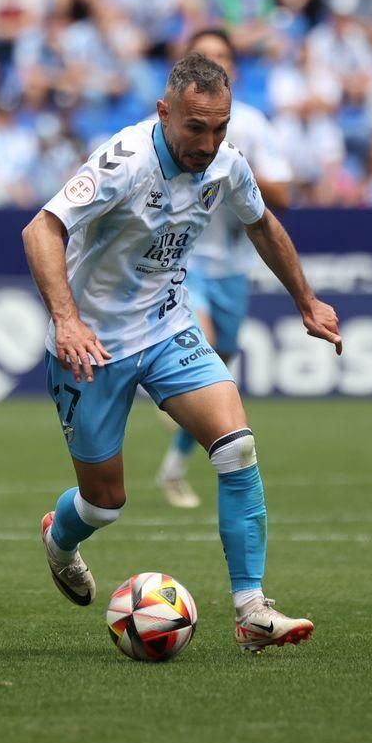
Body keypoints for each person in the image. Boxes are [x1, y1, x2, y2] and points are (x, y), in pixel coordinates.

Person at [23, 52, 339, 652]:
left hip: (168, 327)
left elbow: (261, 223)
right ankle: (60, 540)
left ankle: (252, 610)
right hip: (92, 346)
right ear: (164, 112)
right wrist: (66, 320)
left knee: (236, 446)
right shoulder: (124, 162)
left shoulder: (227, 164)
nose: (208, 142)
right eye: (196, 127)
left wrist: (306, 300)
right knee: (104, 503)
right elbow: (41, 229)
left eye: (220, 128)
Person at [154, 29, 292, 510]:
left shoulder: (248, 126)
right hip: (181, 261)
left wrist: (234, 169)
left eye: (223, 56)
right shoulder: (163, 127)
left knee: (218, 372)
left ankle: (174, 467)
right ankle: (165, 387)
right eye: (205, 55)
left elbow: (282, 196)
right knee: (203, 347)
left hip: (233, 264)